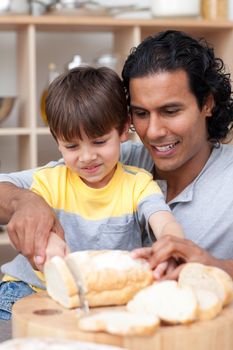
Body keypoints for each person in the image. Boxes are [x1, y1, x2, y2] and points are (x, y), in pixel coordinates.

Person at [0, 30, 233, 278]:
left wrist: (212, 265)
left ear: (207, 103)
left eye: (171, 111)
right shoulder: (116, 159)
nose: (152, 132)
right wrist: (25, 202)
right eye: (141, 114)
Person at [0, 66, 184, 320]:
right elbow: (38, 229)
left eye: (99, 142)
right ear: (57, 141)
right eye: (72, 146)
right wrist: (48, 242)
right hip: (28, 291)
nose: (87, 157)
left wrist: (171, 245)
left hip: (97, 298)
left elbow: (164, 222)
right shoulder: (49, 181)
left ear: (123, 130)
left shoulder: (138, 184)